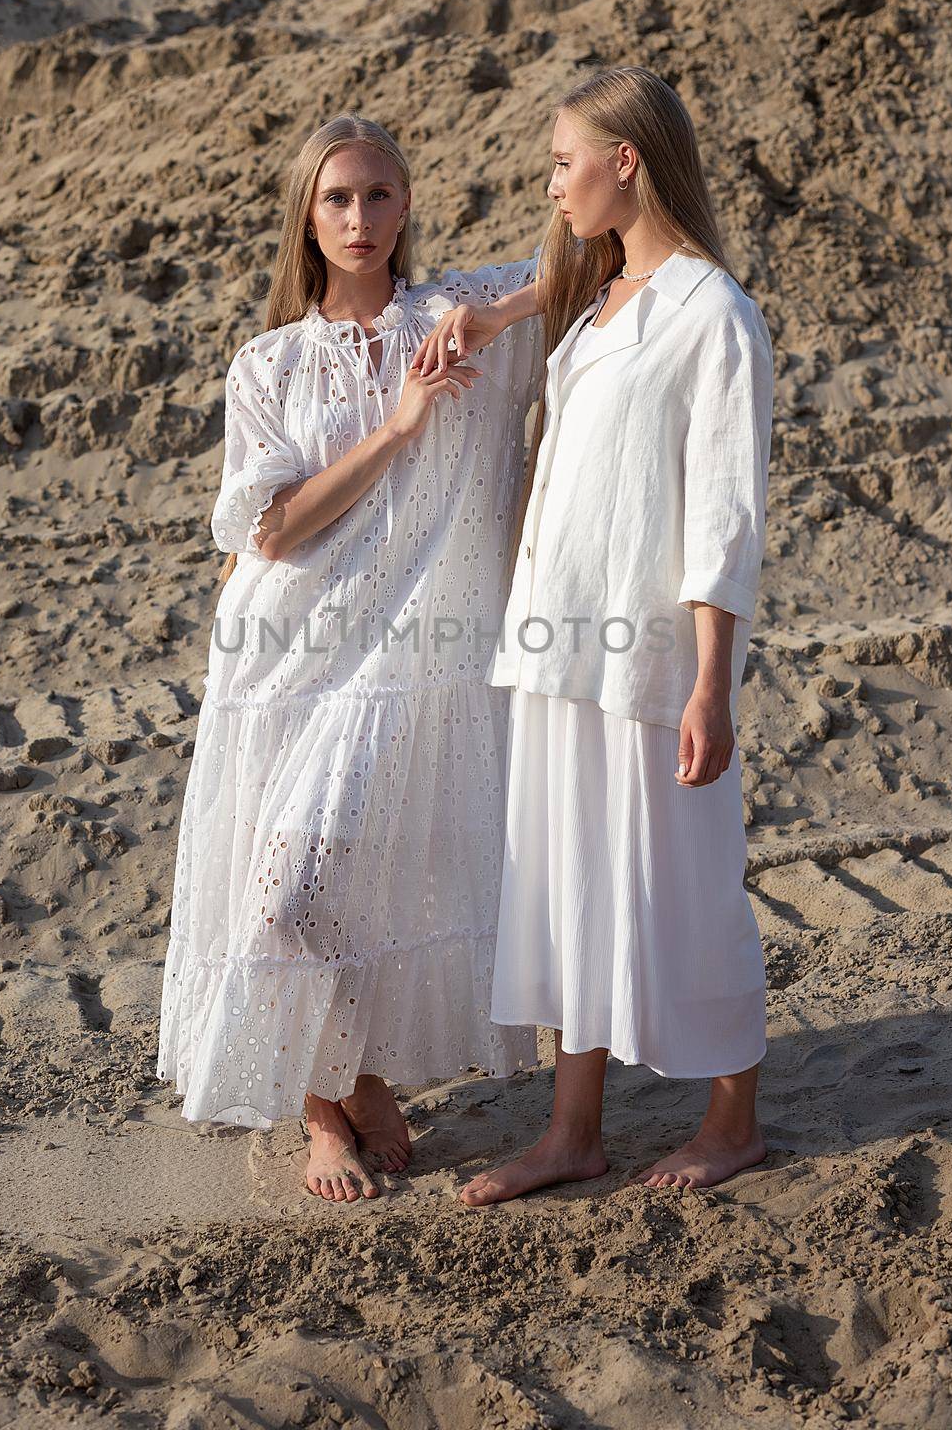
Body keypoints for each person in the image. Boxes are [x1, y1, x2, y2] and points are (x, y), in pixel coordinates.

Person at [155, 113, 546, 1205]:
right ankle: (327, 1107)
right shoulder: (269, 361)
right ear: (306, 217)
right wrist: (398, 422)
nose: (360, 217)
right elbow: (268, 529)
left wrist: (488, 314)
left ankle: (359, 1074)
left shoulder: (450, 314)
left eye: (379, 195)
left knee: (359, 883)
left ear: (406, 205)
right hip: (286, 658)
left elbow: (591, 261)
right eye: (337, 199)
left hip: (411, 658)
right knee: (281, 896)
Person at [412, 66, 775, 1205]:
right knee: (567, 884)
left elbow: (724, 508)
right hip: (555, 639)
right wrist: (501, 311)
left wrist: (712, 681)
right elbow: (557, 276)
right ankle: (573, 1130)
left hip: (650, 658)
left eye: (564, 162)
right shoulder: (601, 298)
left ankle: (733, 1121)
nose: (550, 185)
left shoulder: (713, 313)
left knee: (689, 882)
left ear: (627, 161)